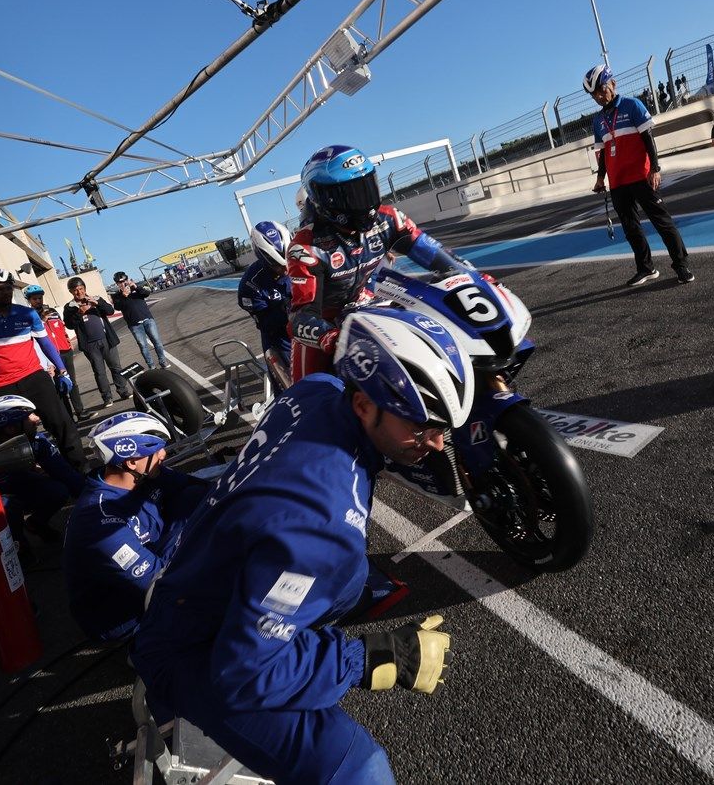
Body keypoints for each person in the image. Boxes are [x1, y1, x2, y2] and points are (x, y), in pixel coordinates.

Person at [133, 308, 466, 784]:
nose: (435, 443)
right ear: (363, 405)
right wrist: (373, 657)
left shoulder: (315, 391)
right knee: (357, 768)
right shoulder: (322, 532)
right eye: (422, 424)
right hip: (195, 651)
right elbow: (245, 672)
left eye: (444, 426)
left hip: (196, 585)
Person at [288, 144, 470, 381]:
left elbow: (437, 255)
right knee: (306, 390)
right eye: (352, 194)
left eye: (366, 188)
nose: (364, 202)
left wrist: (472, 277)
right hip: (325, 323)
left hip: (367, 304)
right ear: (324, 199)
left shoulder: (389, 218)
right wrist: (329, 337)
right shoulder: (305, 247)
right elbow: (300, 318)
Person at [63, 412, 208, 643]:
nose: (163, 454)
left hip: (149, 559)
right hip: (115, 613)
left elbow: (202, 489)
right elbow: (158, 584)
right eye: (156, 449)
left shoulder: (143, 475)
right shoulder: (98, 522)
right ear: (131, 461)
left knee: (195, 497)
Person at [584, 64, 695, 286]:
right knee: (631, 229)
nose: (599, 97)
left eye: (601, 90)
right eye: (593, 94)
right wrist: (600, 178)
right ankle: (646, 268)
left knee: (661, 222)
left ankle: (681, 265)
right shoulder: (598, 121)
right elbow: (603, 153)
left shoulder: (632, 105)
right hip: (618, 182)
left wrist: (655, 168)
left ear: (612, 83)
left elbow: (648, 138)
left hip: (641, 176)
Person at [0, 269, 84, 468]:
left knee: (62, 423)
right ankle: (34, 476)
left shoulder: (27, 313)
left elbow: (45, 343)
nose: (5, 293)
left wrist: (63, 371)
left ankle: (80, 469)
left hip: (34, 376)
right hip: (2, 385)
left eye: (8, 288)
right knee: (13, 438)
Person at [0, 395, 87, 549]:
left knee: (58, 491)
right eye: (29, 416)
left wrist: (97, 497)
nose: (37, 418)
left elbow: (65, 473)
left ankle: (36, 524)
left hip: (22, 487)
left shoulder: (37, 441)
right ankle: (16, 548)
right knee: (8, 508)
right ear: (11, 428)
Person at [237, 220, 293, 391]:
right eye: (278, 265)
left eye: (288, 261)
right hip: (280, 338)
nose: (286, 269)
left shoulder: (302, 258)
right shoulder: (250, 285)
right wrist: (286, 309)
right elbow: (265, 324)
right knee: (290, 390)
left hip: (310, 327)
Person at [63, 276, 131, 409]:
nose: (79, 292)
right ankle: (107, 397)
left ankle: (123, 391)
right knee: (99, 372)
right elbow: (69, 325)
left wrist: (97, 303)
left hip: (106, 339)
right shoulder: (69, 307)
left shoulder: (96, 298)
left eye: (81, 288)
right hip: (90, 345)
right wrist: (79, 313)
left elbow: (110, 311)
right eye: (75, 290)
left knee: (116, 367)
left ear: (85, 288)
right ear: (71, 291)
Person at [24, 284, 89, 421]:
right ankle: (68, 418)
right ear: (29, 300)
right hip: (49, 356)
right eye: (35, 299)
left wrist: (67, 341)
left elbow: (61, 327)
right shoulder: (28, 316)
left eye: (40, 298)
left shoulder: (52, 311)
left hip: (65, 351)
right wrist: (42, 321)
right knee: (59, 387)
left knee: (71, 382)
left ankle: (80, 411)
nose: (38, 301)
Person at [111, 271, 170, 370]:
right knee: (143, 346)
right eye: (120, 282)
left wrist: (136, 287)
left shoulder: (136, 288)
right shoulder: (117, 296)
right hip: (134, 324)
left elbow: (146, 293)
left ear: (127, 280)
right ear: (117, 284)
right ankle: (151, 366)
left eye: (124, 280)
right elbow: (117, 307)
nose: (123, 283)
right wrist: (124, 296)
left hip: (148, 319)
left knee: (157, 342)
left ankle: (162, 361)